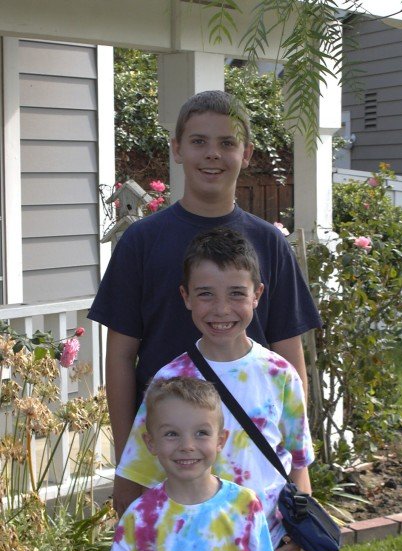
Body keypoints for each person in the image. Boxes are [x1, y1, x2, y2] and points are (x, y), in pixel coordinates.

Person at [88, 90, 321, 513]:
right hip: (169, 464)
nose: (212, 154)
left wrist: (297, 484)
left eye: (227, 142)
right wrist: (127, 464)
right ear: (177, 149)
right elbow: (120, 357)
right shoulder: (142, 242)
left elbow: (290, 356)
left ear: (246, 154)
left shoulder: (270, 244)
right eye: (198, 141)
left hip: (255, 473)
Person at [117, 228, 315, 551]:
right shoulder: (169, 382)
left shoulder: (280, 375)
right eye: (206, 293)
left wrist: (297, 532)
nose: (221, 309)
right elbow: (144, 475)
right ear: (186, 297)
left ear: (257, 295)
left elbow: (298, 463)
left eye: (237, 293)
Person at [104, 376, 288, 551]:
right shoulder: (140, 515)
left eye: (201, 433)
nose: (187, 446)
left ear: (221, 440)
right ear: (151, 443)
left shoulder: (244, 506)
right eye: (171, 434)